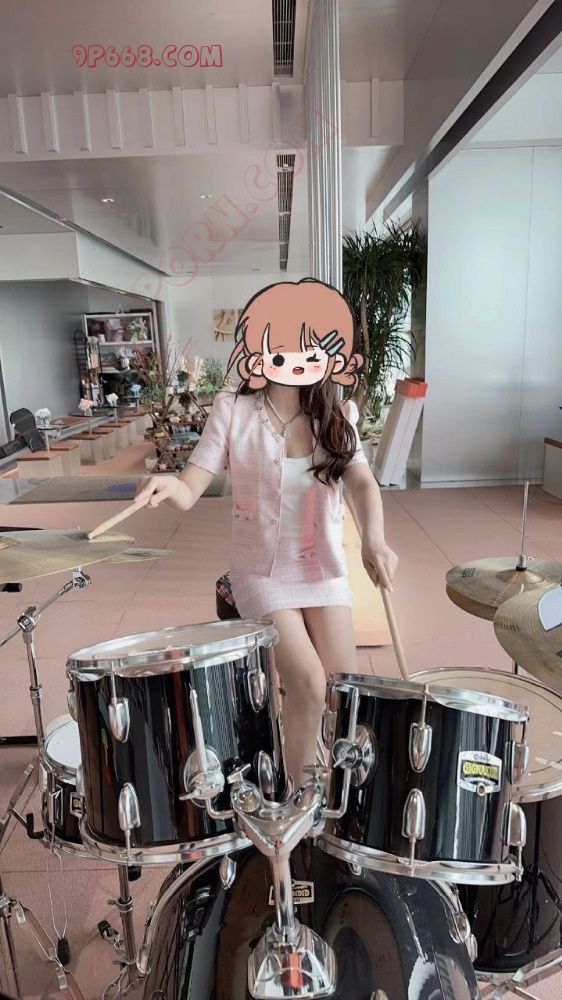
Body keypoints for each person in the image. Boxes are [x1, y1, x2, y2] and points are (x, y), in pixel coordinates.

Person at [136, 279, 398, 786]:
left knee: (346, 691)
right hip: (261, 572)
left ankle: (329, 783)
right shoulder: (233, 411)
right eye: (282, 350)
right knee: (308, 682)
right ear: (258, 351)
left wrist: (375, 538)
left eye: (311, 351)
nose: (296, 361)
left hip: (322, 568)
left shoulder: (337, 414)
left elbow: (363, 482)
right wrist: (169, 484)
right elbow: (191, 487)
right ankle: (299, 798)